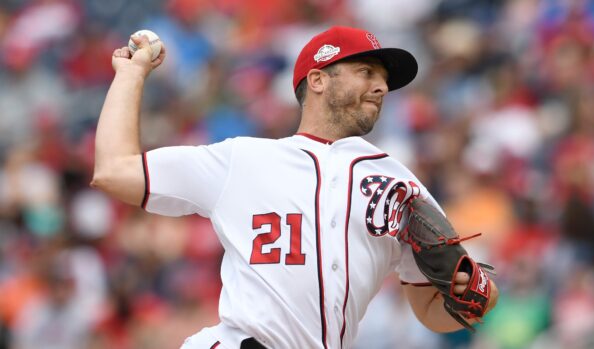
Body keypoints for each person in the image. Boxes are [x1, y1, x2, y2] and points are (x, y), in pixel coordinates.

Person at [92, 26, 498, 349]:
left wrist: (478, 297)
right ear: (318, 80)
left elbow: (431, 310)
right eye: (366, 72)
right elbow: (113, 171)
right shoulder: (242, 159)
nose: (382, 87)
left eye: (384, 79)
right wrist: (130, 74)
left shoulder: (399, 185)